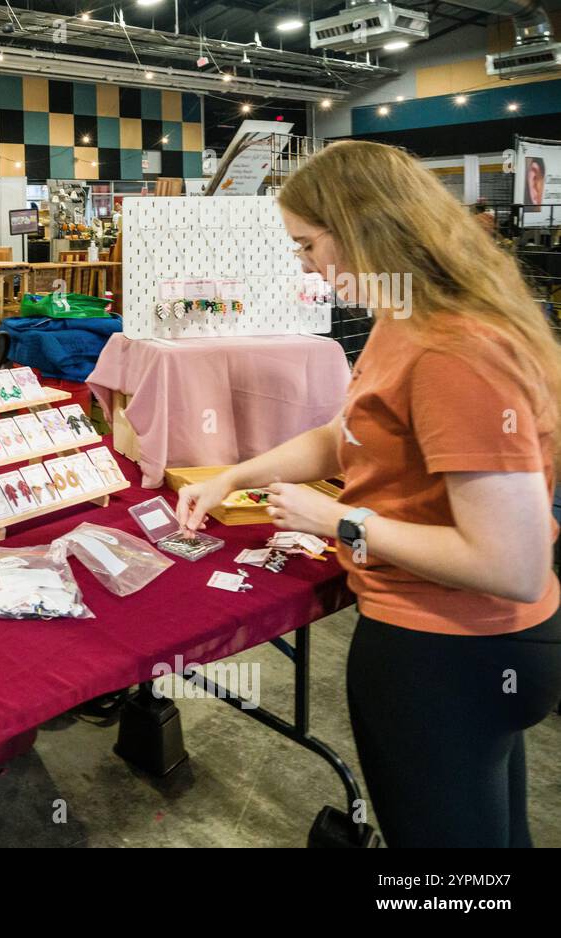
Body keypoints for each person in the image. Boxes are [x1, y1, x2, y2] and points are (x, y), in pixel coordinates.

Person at [176, 140, 561, 848]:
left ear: (363, 229)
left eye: (308, 245)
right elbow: (344, 435)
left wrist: (340, 520)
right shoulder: (404, 319)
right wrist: (233, 476)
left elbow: (512, 563)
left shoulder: (452, 351)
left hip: (450, 649)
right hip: (461, 646)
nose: (304, 265)